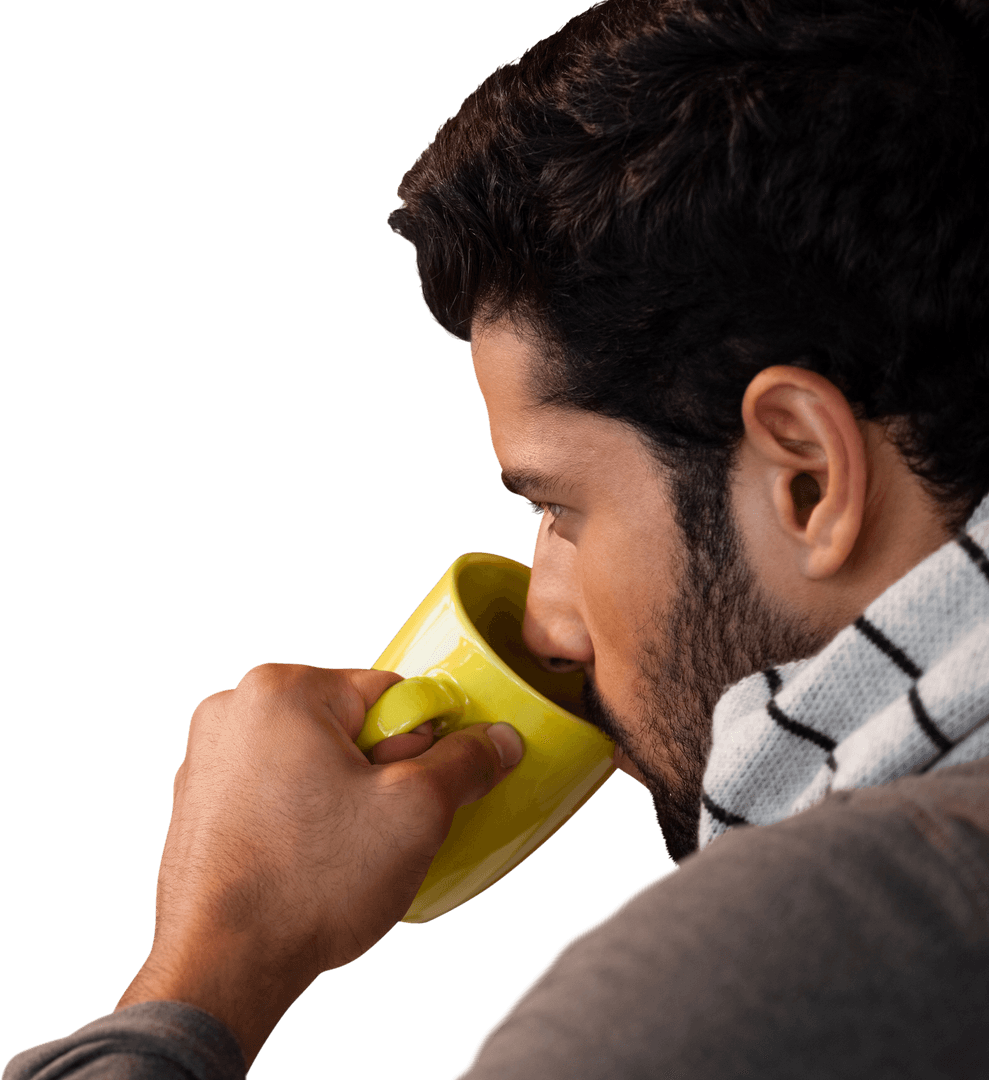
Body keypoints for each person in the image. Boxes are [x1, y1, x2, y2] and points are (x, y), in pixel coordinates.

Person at [6, 0, 989, 1075]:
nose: (546, 624)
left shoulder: (743, 979)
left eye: (558, 508)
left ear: (806, 475)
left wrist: (217, 958)